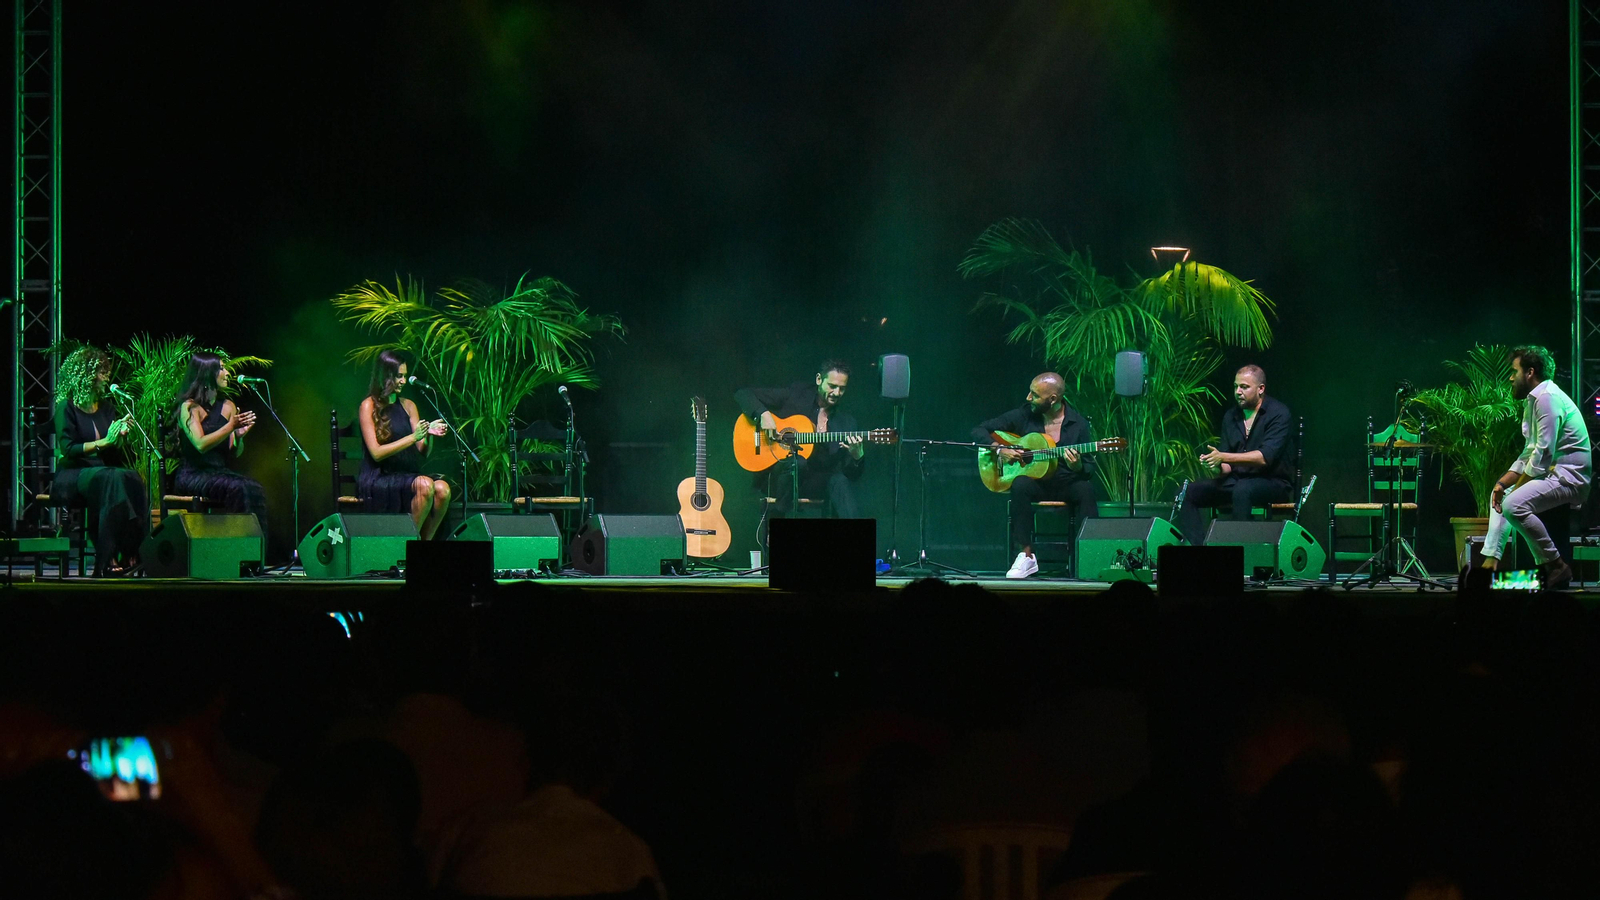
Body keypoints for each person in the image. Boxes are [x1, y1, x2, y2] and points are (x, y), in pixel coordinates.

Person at [1478, 345, 1591, 589]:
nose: (1510, 377)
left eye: (1513, 371)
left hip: (1569, 479)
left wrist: (1515, 489)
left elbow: (1542, 455)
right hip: (1552, 475)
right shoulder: (1536, 399)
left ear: (1530, 372)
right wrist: (1502, 483)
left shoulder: (1547, 398)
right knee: (1500, 494)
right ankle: (1490, 563)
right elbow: (1529, 452)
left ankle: (1557, 566)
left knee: (1513, 503)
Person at [973, 372, 1099, 579]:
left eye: (1035, 395)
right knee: (1020, 483)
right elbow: (979, 430)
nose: (1028, 398)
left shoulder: (1079, 424)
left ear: (1053, 399)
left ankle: (1090, 553)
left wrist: (1076, 466)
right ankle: (1026, 555)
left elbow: (1089, 470)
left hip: (1066, 483)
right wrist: (998, 448)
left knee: (1085, 489)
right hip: (1036, 483)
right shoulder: (1024, 415)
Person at [52, 346, 149, 576]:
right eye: (101, 372)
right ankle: (107, 557)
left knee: (132, 477)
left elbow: (112, 452)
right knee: (111, 478)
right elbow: (68, 449)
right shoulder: (67, 407)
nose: (106, 377)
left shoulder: (106, 408)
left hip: (101, 473)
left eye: (106, 372)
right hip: (73, 473)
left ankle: (132, 550)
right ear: (85, 375)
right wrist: (105, 441)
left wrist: (120, 437)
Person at [1176, 365, 1294, 546]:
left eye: (1244, 387)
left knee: (1243, 490)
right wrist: (1215, 463)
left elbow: (1264, 457)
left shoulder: (1278, 413)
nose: (1238, 392)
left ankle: (1241, 555)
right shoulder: (1231, 416)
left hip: (1273, 482)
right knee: (1189, 492)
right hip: (1237, 482)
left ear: (1260, 389)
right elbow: (1226, 468)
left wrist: (1223, 456)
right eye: (1235, 386)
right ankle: (1198, 550)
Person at [734, 359, 866, 520]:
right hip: (780, 477)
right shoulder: (796, 395)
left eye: (842, 389)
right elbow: (743, 394)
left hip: (813, 482)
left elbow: (851, 475)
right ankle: (775, 520)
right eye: (832, 386)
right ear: (819, 380)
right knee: (798, 462)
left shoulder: (846, 423)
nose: (837, 393)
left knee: (838, 480)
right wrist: (763, 415)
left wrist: (857, 457)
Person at [173, 351, 270, 537]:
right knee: (238, 487)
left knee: (254, 487)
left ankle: (256, 552)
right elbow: (200, 444)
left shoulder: (228, 406)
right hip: (193, 474)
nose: (227, 373)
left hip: (218, 472)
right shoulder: (190, 407)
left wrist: (239, 436)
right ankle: (236, 548)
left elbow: (235, 452)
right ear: (207, 372)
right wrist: (231, 426)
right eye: (222, 368)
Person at [357, 350, 451, 539]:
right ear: (386, 376)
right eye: (399, 376)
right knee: (425, 485)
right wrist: (413, 437)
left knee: (443, 489)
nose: (404, 381)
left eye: (405, 376)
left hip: (406, 475)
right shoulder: (368, 406)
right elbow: (376, 453)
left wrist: (428, 434)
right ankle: (404, 548)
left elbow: (422, 451)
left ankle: (421, 547)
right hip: (380, 477)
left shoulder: (409, 405)